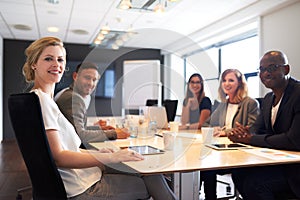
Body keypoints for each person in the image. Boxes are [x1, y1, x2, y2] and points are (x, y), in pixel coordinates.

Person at [22, 36, 178, 200]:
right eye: (48, 59)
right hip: (81, 187)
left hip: (81, 177)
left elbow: (67, 148)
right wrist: (110, 156)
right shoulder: (42, 101)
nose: (56, 64)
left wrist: (98, 152)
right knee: (150, 177)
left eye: (60, 59)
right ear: (34, 64)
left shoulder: (43, 99)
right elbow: (59, 157)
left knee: (145, 169)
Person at [228, 50, 300, 200]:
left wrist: (250, 139)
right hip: (278, 162)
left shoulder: (297, 93)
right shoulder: (268, 99)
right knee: (238, 172)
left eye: (272, 67)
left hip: (295, 169)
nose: (266, 73)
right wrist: (243, 133)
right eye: (262, 69)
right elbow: (257, 130)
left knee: (256, 184)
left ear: (286, 69)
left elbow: (293, 140)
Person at [200, 69, 260, 200]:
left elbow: (252, 129)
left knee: (208, 168)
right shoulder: (223, 104)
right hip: (222, 151)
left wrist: (224, 132)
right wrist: (214, 129)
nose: (227, 84)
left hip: (240, 153)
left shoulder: (250, 103)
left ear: (240, 83)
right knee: (204, 167)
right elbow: (206, 124)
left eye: (231, 80)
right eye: (224, 80)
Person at [55, 62, 130, 146]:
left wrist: (100, 129)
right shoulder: (74, 98)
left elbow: (75, 128)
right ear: (75, 76)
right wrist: (114, 134)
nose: (90, 83)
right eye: (87, 78)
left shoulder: (70, 94)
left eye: (94, 80)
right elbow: (80, 135)